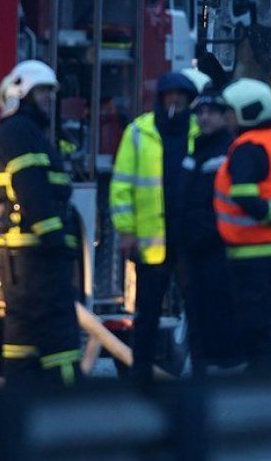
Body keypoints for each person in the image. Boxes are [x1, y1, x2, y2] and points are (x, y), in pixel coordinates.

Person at [0, 60, 81, 388]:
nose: (48, 100)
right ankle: (70, 413)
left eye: (50, 93)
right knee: (60, 340)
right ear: (21, 94)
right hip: (39, 260)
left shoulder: (9, 133)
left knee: (21, 340)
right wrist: (57, 246)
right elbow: (33, 190)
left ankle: (19, 409)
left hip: (20, 263)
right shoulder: (21, 133)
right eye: (42, 92)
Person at [110, 69, 208, 383]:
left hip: (189, 241)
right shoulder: (139, 131)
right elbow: (122, 185)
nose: (175, 102)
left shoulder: (199, 131)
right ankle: (140, 377)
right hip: (152, 243)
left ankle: (201, 375)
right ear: (161, 98)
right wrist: (126, 230)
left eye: (182, 97)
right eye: (170, 96)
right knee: (147, 315)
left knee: (197, 311)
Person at [213, 78, 271, 373]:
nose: (225, 118)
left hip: (251, 256)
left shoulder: (247, 148)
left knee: (256, 330)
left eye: (229, 112)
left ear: (246, 112)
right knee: (270, 327)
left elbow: (245, 198)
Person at [175, 87, 242, 375]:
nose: (204, 118)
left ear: (225, 116)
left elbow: (223, 206)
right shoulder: (196, 153)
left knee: (217, 313)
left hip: (218, 250)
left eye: (211, 112)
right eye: (200, 112)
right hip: (192, 250)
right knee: (196, 312)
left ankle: (220, 372)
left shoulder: (226, 154)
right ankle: (202, 372)